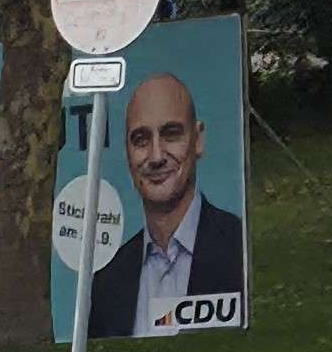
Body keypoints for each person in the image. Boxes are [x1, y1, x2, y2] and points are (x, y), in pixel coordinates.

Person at [74, 67, 251, 336]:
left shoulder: (240, 249)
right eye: (141, 139)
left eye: (170, 134)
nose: (156, 156)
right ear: (127, 152)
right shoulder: (107, 280)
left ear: (198, 139)